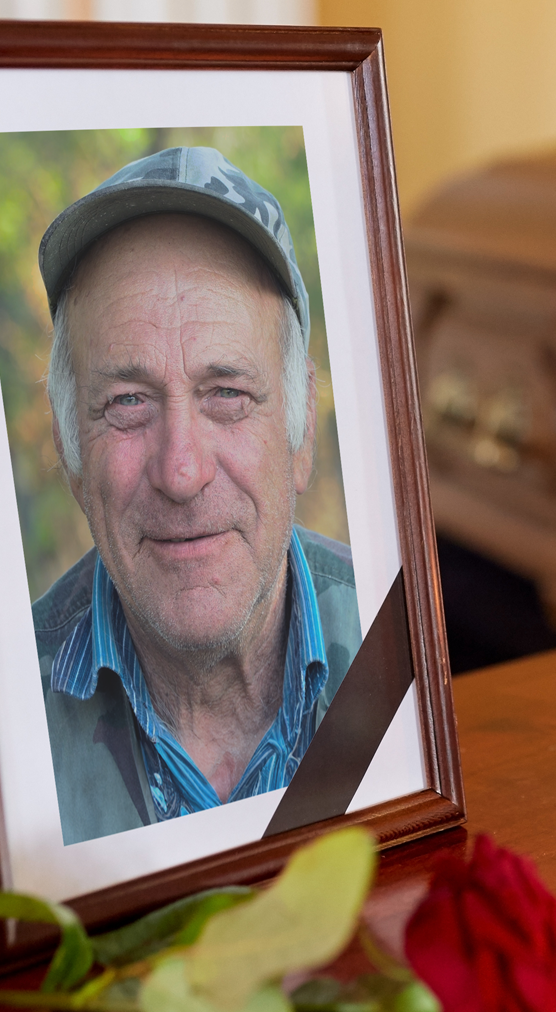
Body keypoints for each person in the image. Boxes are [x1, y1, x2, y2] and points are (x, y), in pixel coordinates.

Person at [30, 146, 361, 845]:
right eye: (126, 401)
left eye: (228, 394)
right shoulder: (2, 717)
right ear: (70, 454)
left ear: (300, 436)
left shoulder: (401, 645)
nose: (181, 471)